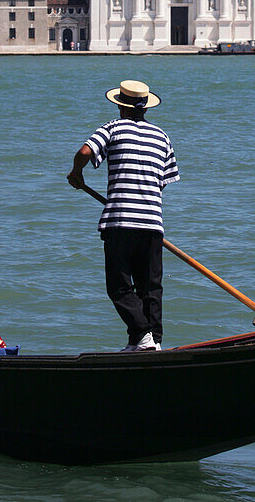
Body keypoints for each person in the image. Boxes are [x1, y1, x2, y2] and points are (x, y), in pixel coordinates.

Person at [67, 78, 179, 351]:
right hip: (153, 223)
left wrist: (76, 173)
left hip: (119, 221)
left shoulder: (112, 128)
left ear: (121, 106)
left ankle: (142, 334)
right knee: (151, 288)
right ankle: (151, 342)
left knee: (118, 286)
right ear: (145, 108)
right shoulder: (162, 136)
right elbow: (163, 180)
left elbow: (85, 151)